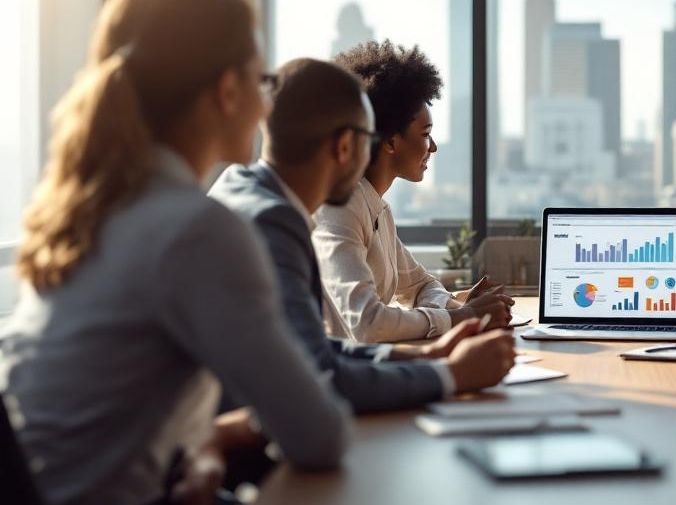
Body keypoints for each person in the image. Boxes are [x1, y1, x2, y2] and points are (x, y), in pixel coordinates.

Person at [0, 0, 348, 505]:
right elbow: (319, 435)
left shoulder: (82, 213)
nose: (266, 108)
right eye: (261, 83)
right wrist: (238, 430)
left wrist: (205, 441)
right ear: (227, 91)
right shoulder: (195, 230)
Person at [209, 57, 517, 415]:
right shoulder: (273, 220)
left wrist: (427, 356)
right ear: (345, 145)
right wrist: (452, 374)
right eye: (368, 136)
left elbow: (313, 349)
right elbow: (322, 378)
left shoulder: (245, 191)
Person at [315, 40, 512, 343]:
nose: (433, 147)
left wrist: (459, 305)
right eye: (425, 134)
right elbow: (367, 324)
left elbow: (420, 286)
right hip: (343, 369)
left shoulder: (377, 208)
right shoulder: (341, 208)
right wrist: (461, 317)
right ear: (390, 142)